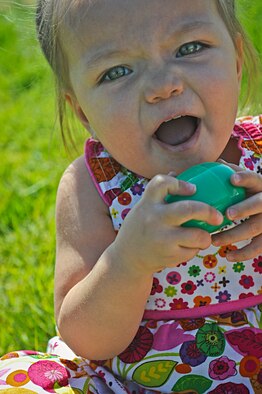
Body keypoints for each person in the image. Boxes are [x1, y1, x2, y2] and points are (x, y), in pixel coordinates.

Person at [0, 0, 261, 392]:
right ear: (83, 112)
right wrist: (129, 261)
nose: (163, 86)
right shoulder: (94, 186)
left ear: (237, 59)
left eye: (189, 48)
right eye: (116, 71)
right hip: (134, 383)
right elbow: (85, 337)